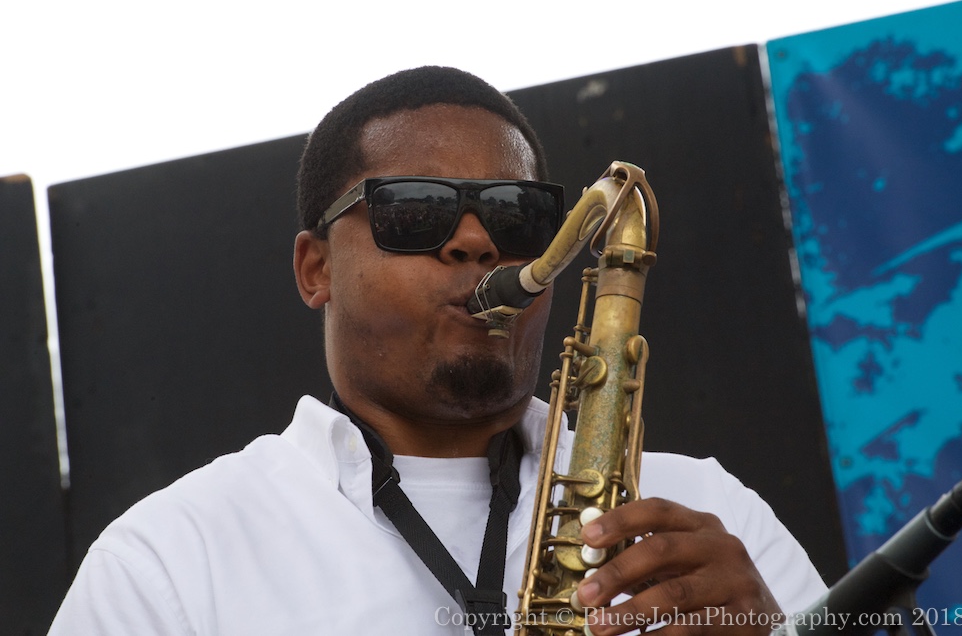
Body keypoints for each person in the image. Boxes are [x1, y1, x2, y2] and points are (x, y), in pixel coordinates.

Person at [49, 66, 826, 635]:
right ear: (315, 269)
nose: (475, 241)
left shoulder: (708, 515)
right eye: (415, 212)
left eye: (516, 216)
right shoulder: (167, 562)